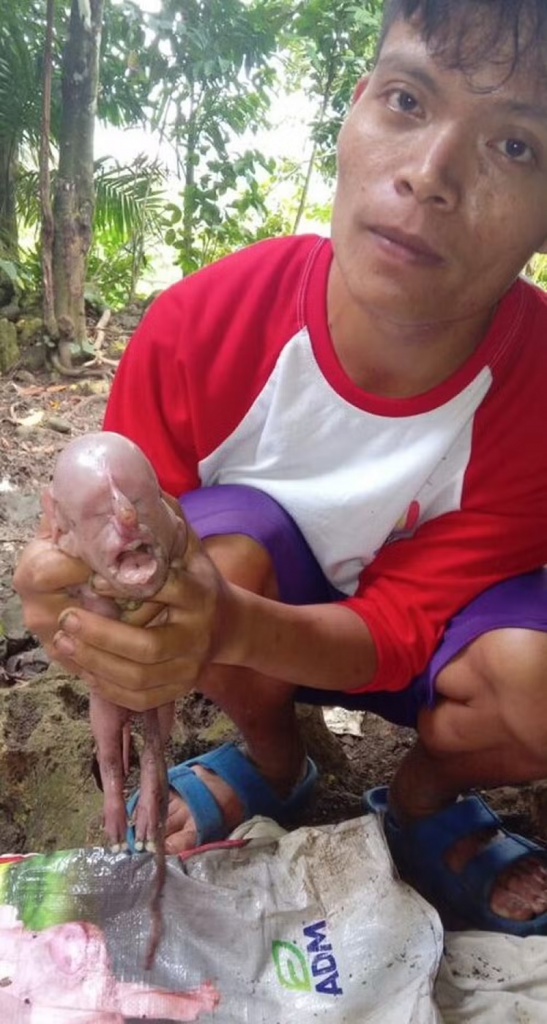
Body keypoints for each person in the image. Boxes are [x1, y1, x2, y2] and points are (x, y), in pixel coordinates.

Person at [14, 0, 547, 935]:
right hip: (258, 615)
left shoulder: (537, 389)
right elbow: (124, 566)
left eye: (514, 149)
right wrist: (92, 611)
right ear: (353, 111)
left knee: (532, 682)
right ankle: (271, 761)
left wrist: (216, 619)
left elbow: (399, 631)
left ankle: (424, 804)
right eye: (406, 99)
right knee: (201, 552)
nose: (428, 176)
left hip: (434, 644)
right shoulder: (198, 327)